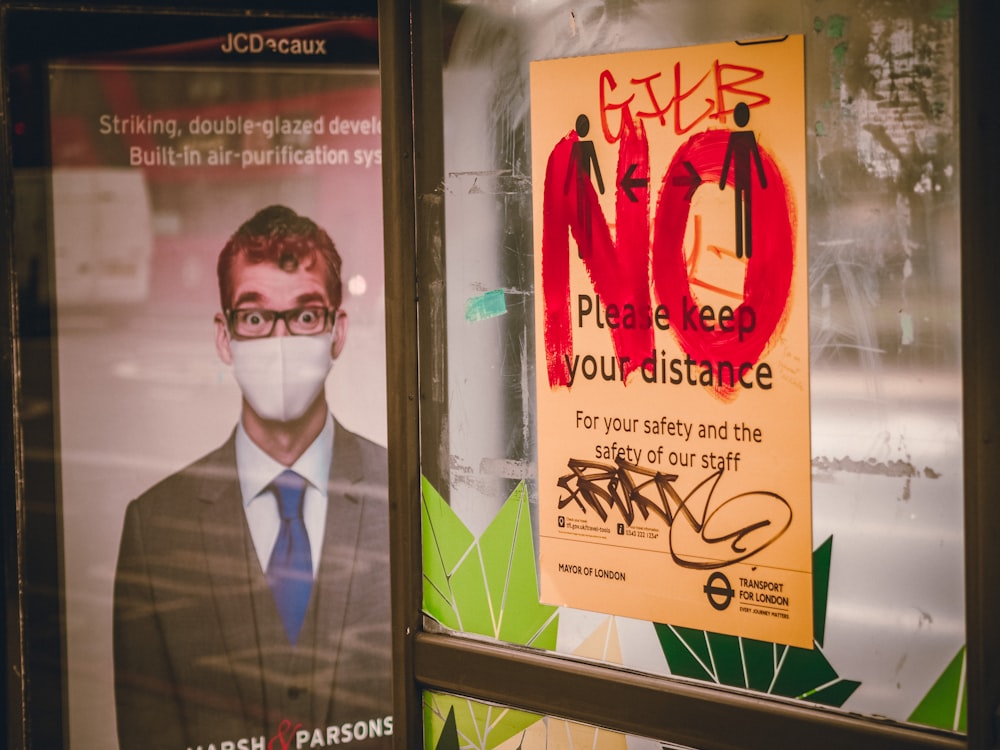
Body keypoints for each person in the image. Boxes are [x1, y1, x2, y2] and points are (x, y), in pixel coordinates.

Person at [113, 205, 392, 750]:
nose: (280, 341)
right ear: (225, 337)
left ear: (337, 332)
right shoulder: (155, 527)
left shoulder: (403, 498)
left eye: (305, 315)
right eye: (256, 316)